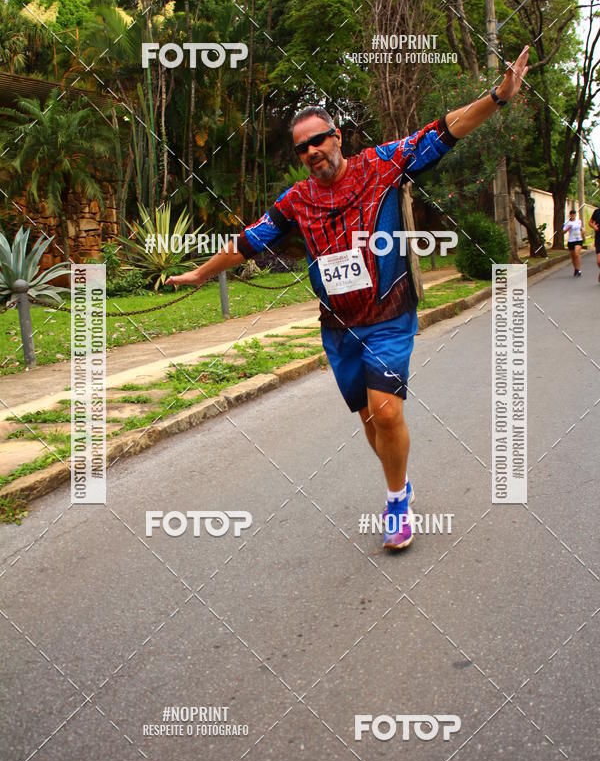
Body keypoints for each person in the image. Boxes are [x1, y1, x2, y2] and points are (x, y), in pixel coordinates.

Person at [166, 46, 530, 551]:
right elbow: (249, 240)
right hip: (339, 327)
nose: (313, 151)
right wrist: (201, 275)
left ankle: (398, 502)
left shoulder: (379, 165)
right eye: (302, 148)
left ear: (337, 137)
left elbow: (443, 131)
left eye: (318, 139)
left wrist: (498, 96)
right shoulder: (296, 201)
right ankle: (397, 480)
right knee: (368, 419)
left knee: (386, 412)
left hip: (387, 315)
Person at [564, 208, 584, 277]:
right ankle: (576, 269)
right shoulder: (567, 223)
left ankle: (579, 269)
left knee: (576, 254)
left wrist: (582, 231)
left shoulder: (578, 221)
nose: (573, 215)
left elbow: (580, 228)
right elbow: (563, 232)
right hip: (571, 240)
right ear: (570, 215)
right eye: (571, 214)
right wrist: (568, 228)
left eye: (574, 214)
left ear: (575, 215)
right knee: (573, 257)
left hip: (578, 240)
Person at [589, 207, 600, 282]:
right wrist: (594, 226)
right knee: (599, 261)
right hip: (598, 238)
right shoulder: (596, 212)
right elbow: (590, 222)